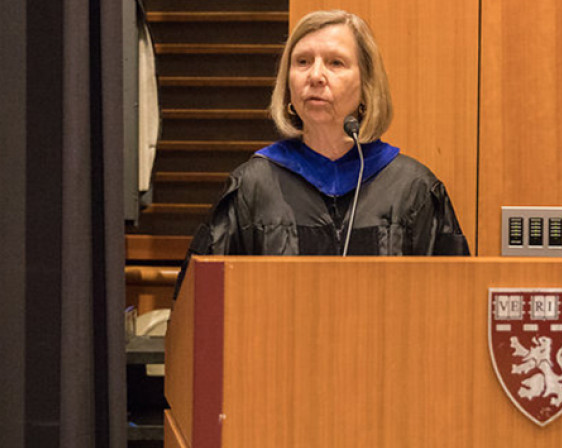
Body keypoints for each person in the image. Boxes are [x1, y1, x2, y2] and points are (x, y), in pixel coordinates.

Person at [175, 10, 469, 295]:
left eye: (335, 63)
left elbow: (452, 303)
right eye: (302, 62)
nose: (315, 75)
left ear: (366, 85)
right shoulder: (252, 187)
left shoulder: (412, 190)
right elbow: (201, 303)